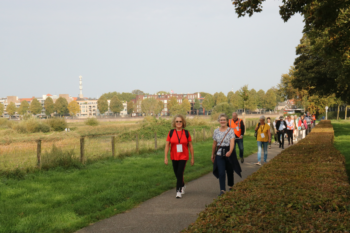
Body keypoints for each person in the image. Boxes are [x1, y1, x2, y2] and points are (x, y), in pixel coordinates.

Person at [164, 114, 194, 199]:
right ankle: (182, 185)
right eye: (177, 121)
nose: (178, 123)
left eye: (180, 121)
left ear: (183, 122)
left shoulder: (186, 133)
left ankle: (178, 191)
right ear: (174, 122)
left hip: (183, 156)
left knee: (180, 173)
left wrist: (192, 158)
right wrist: (165, 157)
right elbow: (167, 145)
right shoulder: (171, 132)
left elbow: (190, 146)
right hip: (174, 156)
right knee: (177, 173)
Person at [212, 113, 239, 196]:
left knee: (230, 171)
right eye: (221, 120)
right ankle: (222, 189)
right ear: (219, 121)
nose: (222, 121)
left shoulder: (230, 130)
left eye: (224, 120)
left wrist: (230, 151)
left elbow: (232, 142)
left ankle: (231, 185)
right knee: (221, 172)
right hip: (219, 153)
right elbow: (214, 144)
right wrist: (212, 154)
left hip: (228, 152)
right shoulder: (216, 131)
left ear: (227, 121)